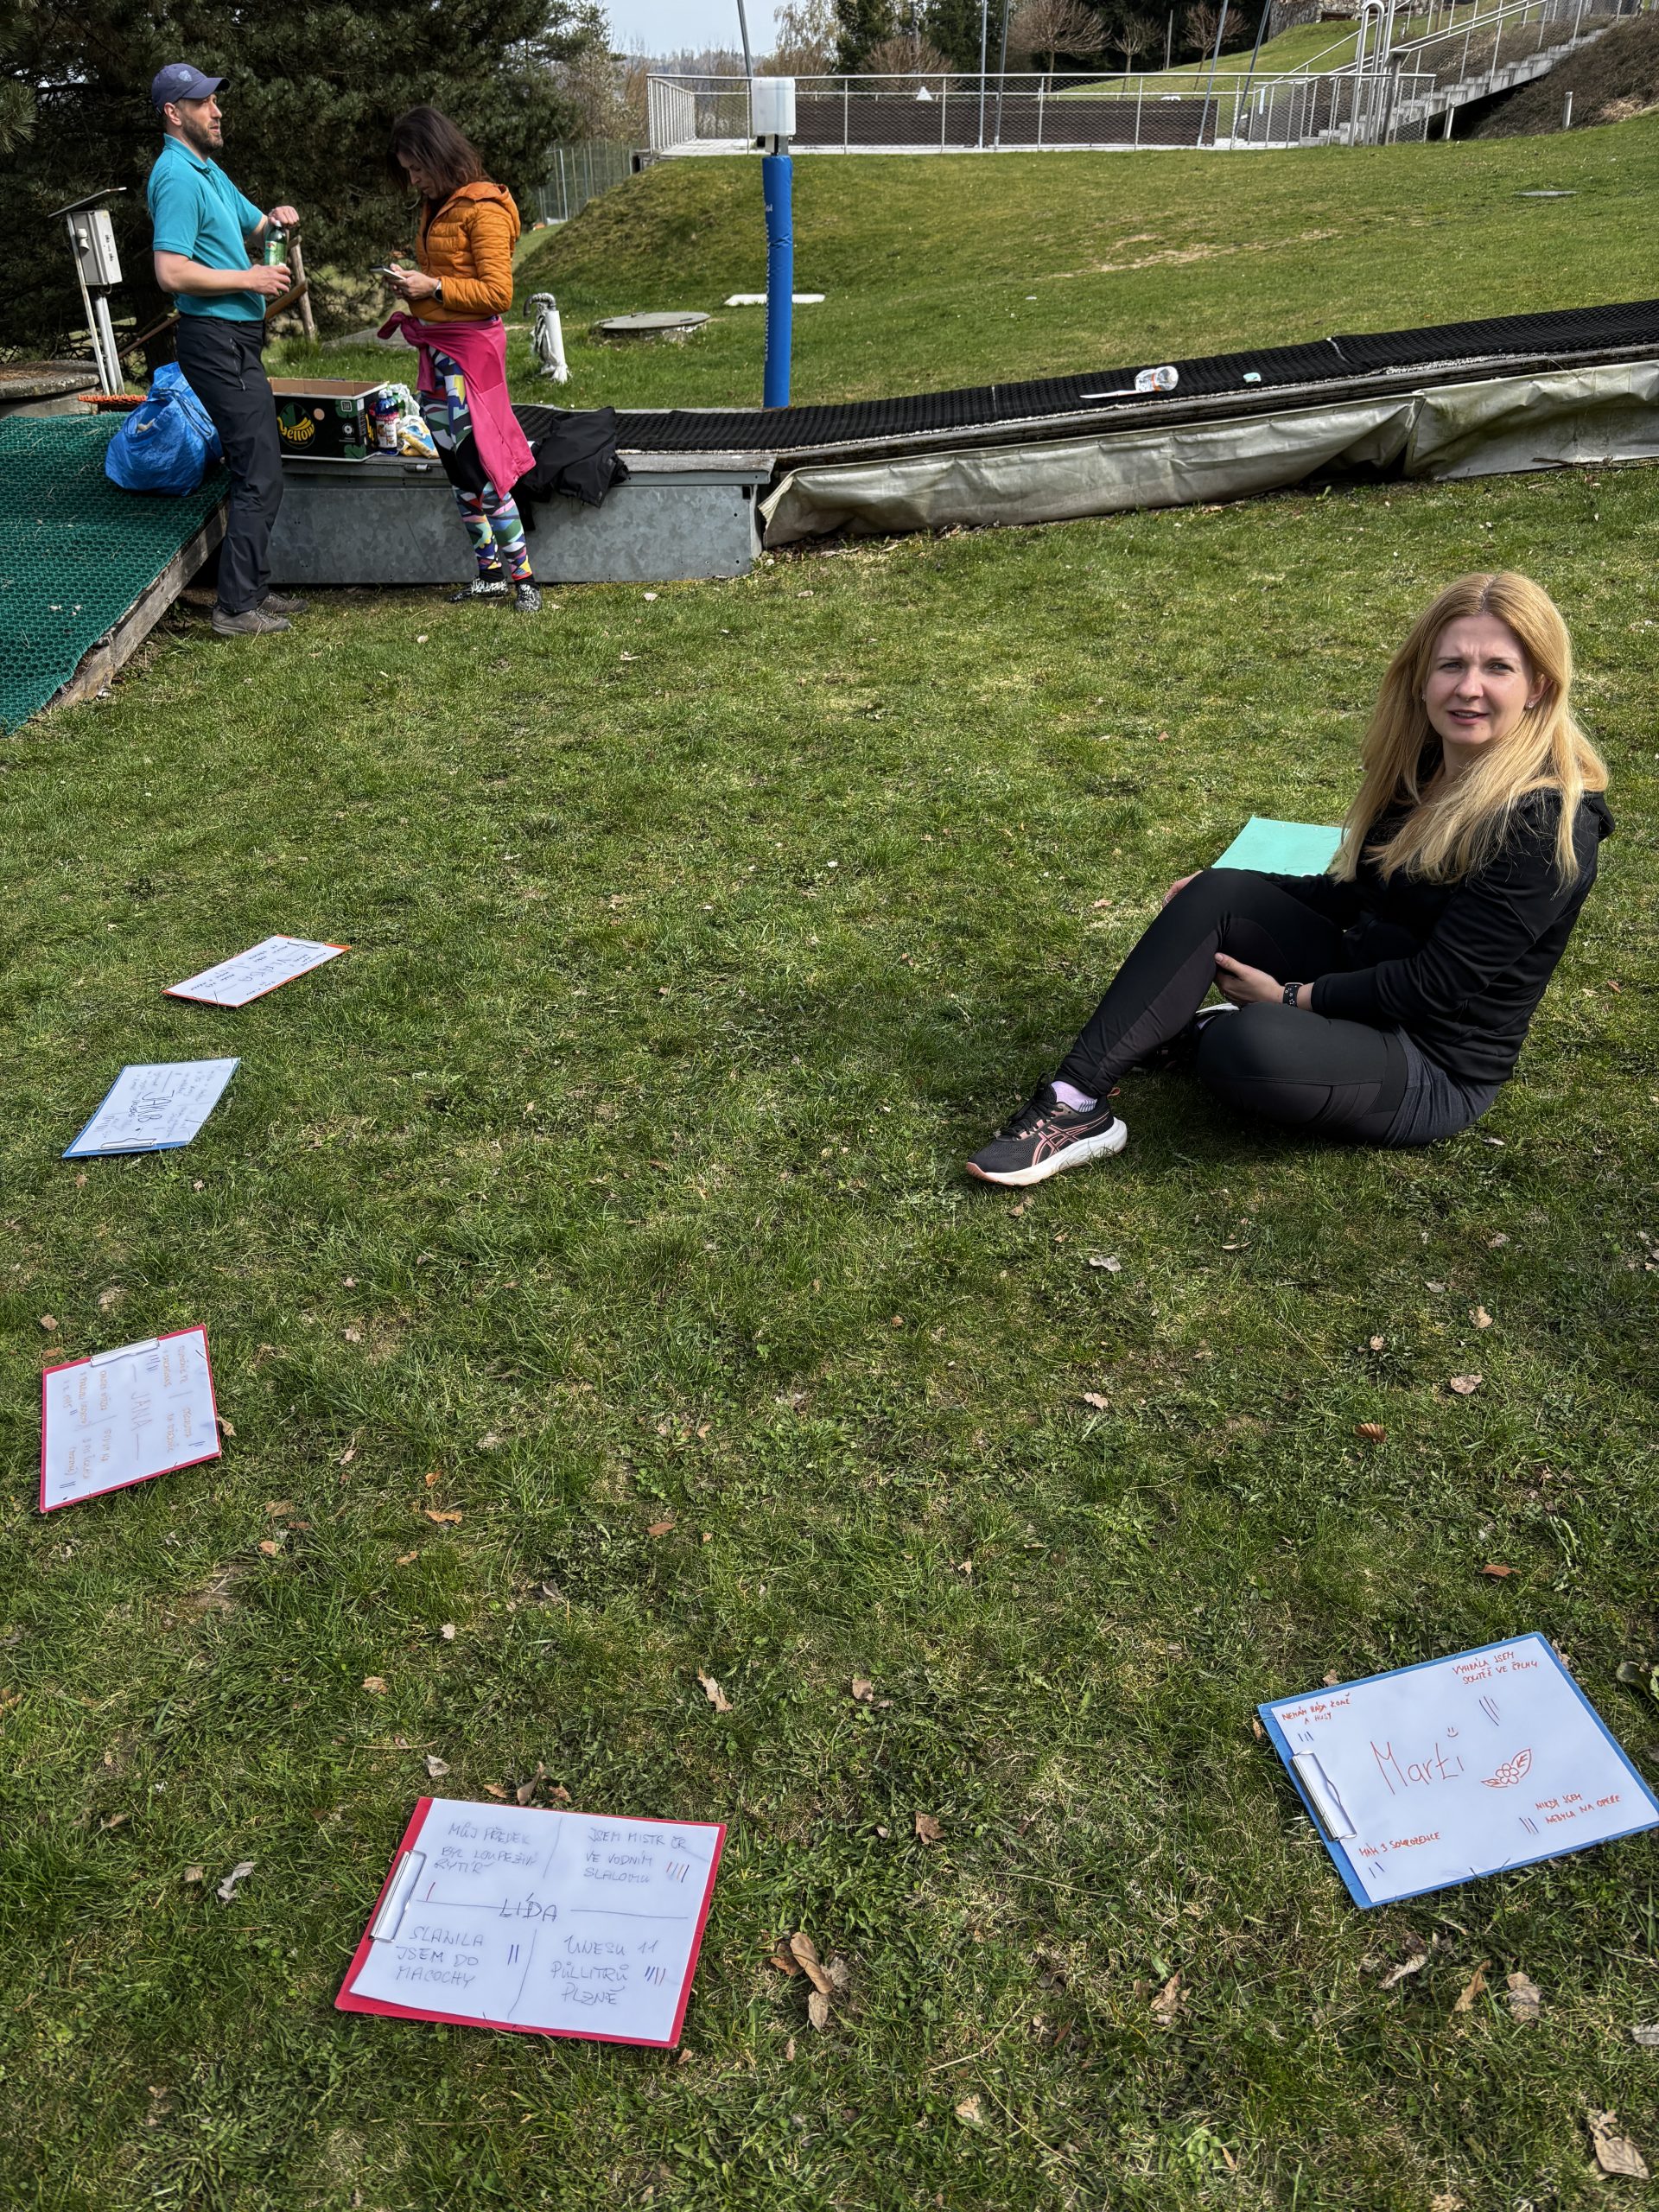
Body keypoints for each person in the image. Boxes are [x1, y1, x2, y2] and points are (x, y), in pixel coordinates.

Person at [966, 571, 1612, 1187]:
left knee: (1247, 1044)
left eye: (1497, 668)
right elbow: (1360, 898)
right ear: (1422, 678)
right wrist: (1229, 888)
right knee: (1220, 891)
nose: (1468, 688)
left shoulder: (1548, 823)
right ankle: (1075, 1102)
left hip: (1432, 1062)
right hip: (1364, 977)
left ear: (1538, 686)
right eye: (1451, 665)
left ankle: (1206, 1033)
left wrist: (1290, 998)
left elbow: (1437, 985)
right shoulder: (1422, 768)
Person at [146, 62, 305, 639]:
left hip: (236, 338)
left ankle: (252, 590)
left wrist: (278, 220)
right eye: (203, 102)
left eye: (216, 101)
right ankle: (235, 608)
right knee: (258, 469)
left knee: (261, 465)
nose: (217, 111)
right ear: (173, 113)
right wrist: (248, 279)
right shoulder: (176, 176)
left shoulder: (208, 170)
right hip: (213, 340)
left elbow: (259, 228)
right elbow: (170, 271)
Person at [378, 108, 539, 613]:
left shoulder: (483, 209)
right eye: (407, 170)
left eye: (416, 168)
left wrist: (433, 287)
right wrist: (414, 285)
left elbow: (498, 293)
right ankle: (489, 575)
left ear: (439, 156)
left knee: (482, 466)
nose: (413, 180)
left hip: (468, 357)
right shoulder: (437, 206)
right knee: (456, 468)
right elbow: (447, 279)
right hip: (437, 352)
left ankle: (525, 582)